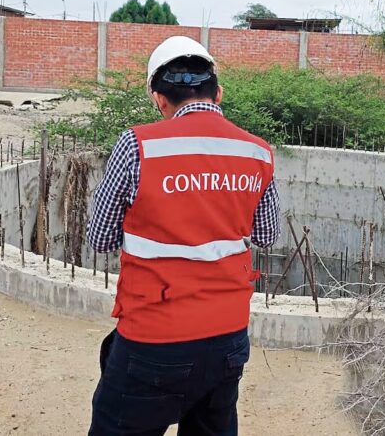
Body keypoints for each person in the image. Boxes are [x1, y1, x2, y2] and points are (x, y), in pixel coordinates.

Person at [86, 36, 280, 435]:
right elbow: (267, 234)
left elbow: (100, 238)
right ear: (218, 93)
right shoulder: (258, 152)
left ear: (159, 98)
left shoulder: (137, 145)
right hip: (227, 340)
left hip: (153, 340)